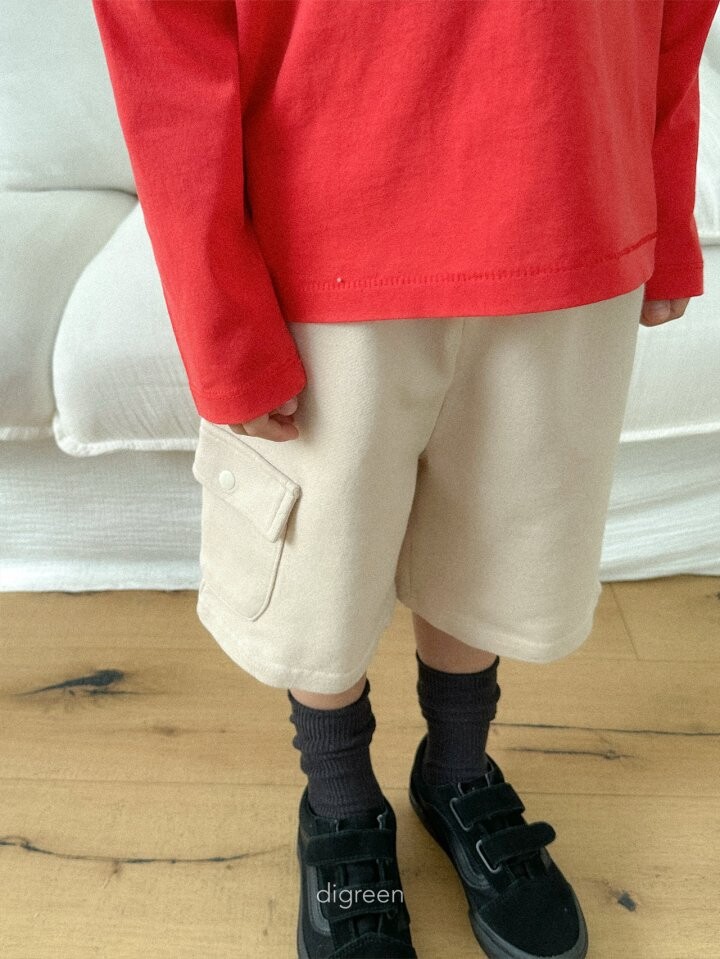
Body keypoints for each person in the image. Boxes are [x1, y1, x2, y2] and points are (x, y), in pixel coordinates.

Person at [91, 3, 718, 957]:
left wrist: (663, 204)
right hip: (324, 213)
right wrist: (218, 307)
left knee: (504, 539)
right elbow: (161, 31)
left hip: (573, 179)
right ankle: (340, 800)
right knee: (320, 571)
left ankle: (458, 770)